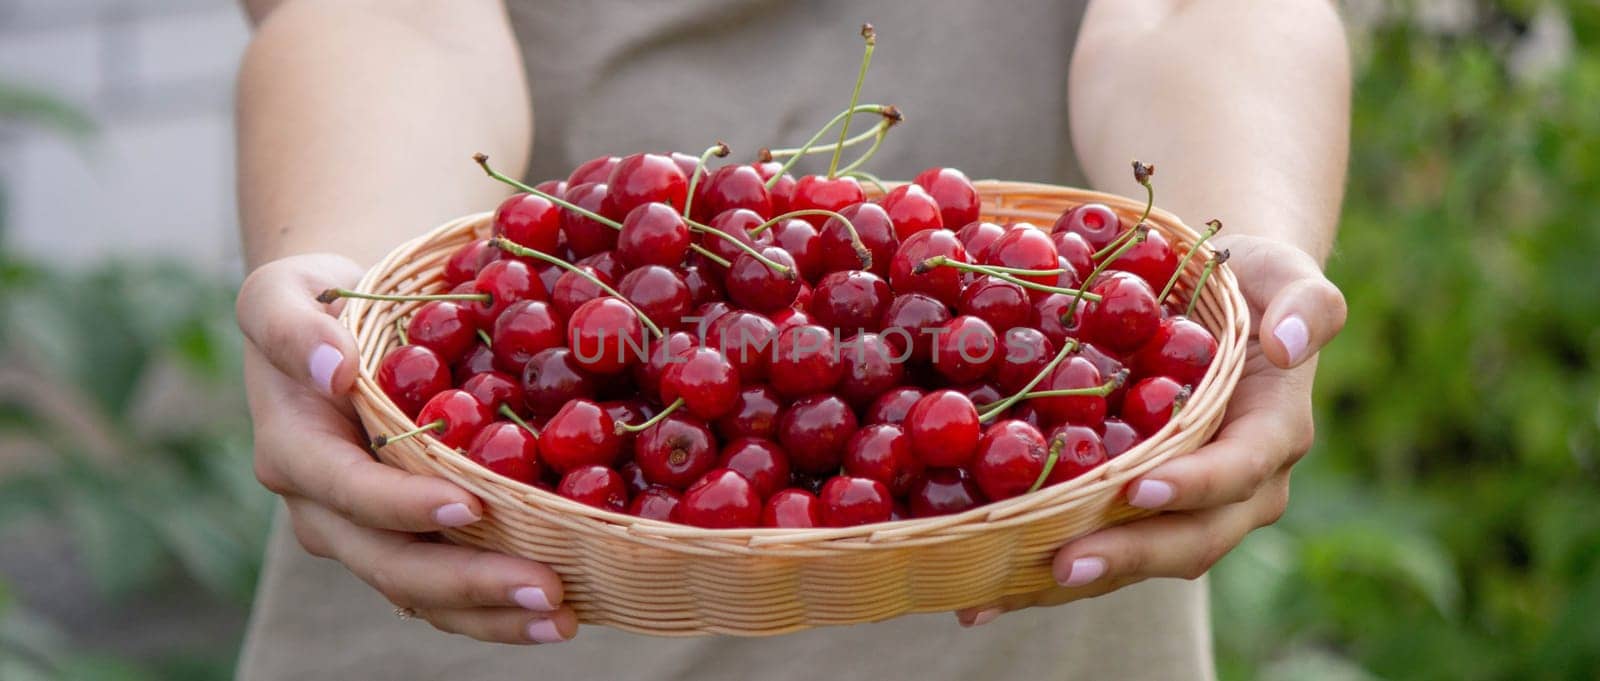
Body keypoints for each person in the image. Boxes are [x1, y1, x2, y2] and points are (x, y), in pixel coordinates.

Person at [232, 1, 1349, 679]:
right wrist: (367, 298)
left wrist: (1226, 250)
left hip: (1031, 517)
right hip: (493, 536)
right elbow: (391, 11)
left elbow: (1197, 5)